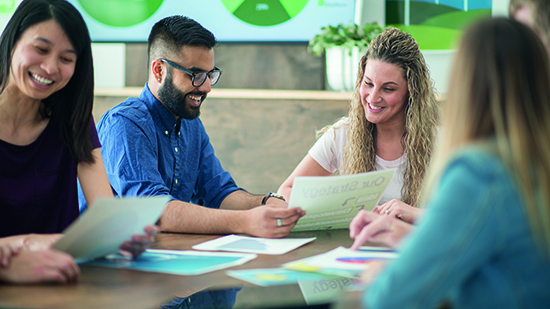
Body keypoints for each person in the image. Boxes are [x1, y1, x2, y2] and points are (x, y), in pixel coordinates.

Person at [349, 17, 550, 308]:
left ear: (466, 84)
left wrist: (378, 276)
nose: (374, 96)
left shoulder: (479, 174)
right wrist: (419, 239)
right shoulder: (534, 162)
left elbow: (391, 298)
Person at [85, 15, 305, 239]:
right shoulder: (124, 124)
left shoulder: (191, 124)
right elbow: (154, 212)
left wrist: (266, 202)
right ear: (159, 70)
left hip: (161, 257)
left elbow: (219, 192)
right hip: (100, 263)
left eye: (210, 75)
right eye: (196, 75)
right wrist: (245, 221)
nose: (207, 86)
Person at [0, 0, 155, 284]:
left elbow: (104, 214)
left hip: (66, 285)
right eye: (41, 49)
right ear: (12, 40)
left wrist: (121, 235)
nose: (49, 67)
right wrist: (25, 250)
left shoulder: (74, 120)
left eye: (66, 59)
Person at [277, 27, 439, 224]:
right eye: (368, 83)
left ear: (412, 92)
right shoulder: (342, 134)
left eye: (388, 89)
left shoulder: (441, 141)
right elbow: (286, 191)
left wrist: (415, 213)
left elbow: (467, 216)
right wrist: (337, 207)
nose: (373, 97)